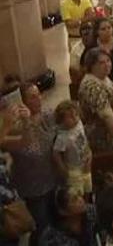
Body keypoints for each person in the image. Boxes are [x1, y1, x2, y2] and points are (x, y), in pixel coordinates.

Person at [3, 83, 60, 235]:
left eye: (39, 94)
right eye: (33, 97)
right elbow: (24, 143)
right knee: (43, 228)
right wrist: (27, 121)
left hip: (53, 178)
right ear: (22, 102)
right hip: (33, 187)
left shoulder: (48, 114)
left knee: (58, 221)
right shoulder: (13, 127)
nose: (39, 99)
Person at [78, 48, 113, 153]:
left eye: (108, 61)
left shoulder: (103, 78)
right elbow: (107, 115)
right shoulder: (91, 86)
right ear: (91, 66)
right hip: (105, 138)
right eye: (101, 63)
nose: (107, 65)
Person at [52, 101, 93, 198]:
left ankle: (88, 205)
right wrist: (63, 169)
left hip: (86, 162)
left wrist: (89, 153)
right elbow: (56, 153)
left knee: (88, 187)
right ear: (62, 120)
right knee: (77, 192)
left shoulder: (79, 124)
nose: (74, 118)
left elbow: (84, 139)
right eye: (70, 117)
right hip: (74, 168)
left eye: (76, 115)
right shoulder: (62, 137)